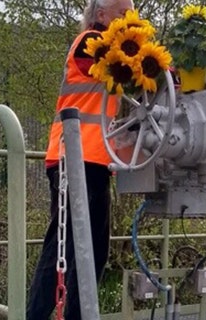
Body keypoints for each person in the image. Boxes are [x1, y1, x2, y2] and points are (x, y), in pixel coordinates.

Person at [26, 0, 134, 319]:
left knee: (94, 252)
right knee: (63, 246)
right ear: (101, 16)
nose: (129, 21)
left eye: (132, 15)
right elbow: (120, 66)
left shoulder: (114, 48)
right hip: (71, 157)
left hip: (95, 162)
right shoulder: (91, 43)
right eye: (122, 14)